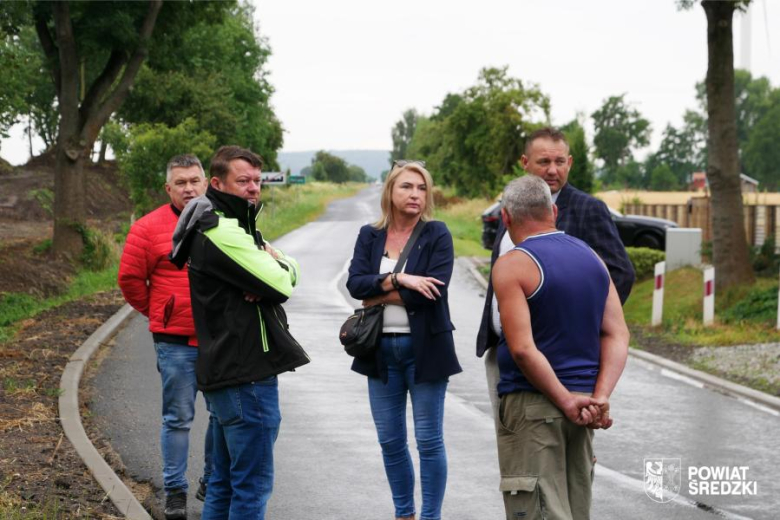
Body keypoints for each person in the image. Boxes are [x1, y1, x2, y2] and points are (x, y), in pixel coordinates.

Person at [169, 145, 309, 519]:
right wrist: (274, 266)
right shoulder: (221, 230)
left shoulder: (233, 226)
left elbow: (282, 271)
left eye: (257, 181)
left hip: (230, 371)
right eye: (242, 181)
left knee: (224, 484)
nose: (252, 189)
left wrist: (276, 263)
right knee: (251, 488)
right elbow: (282, 285)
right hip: (246, 374)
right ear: (217, 183)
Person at [492, 175, 629, 520]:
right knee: (575, 505)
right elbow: (617, 334)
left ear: (506, 218)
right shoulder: (593, 259)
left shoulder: (513, 265)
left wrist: (564, 400)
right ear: (553, 211)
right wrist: (600, 397)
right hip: (585, 405)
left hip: (534, 401)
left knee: (539, 509)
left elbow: (522, 348)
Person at [477, 126, 635, 418]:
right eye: (544, 162)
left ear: (570, 163)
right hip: (505, 352)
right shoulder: (513, 206)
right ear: (525, 164)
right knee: (511, 438)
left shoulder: (589, 209)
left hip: (561, 359)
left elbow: (619, 272)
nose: (553, 170)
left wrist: (583, 326)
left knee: (562, 445)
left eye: (559, 162)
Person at [346, 160, 462, 520]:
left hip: (425, 350)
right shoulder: (370, 235)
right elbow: (354, 284)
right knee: (390, 442)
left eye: (422, 188)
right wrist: (403, 280)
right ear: (390, 192)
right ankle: (404, 514)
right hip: (379, 350)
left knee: (428, 442)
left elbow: (433, 293)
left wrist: (379, 289)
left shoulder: (437, 234)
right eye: (407, 187)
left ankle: (430, 517)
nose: (415, 194)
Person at [117, 154, 212, 519]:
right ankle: (175, 491)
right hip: (175, 343)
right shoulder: (147, 228)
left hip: (220, 339)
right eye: (181, 183)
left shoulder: (223, 222)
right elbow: (129, 281)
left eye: (195, 180)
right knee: (178, 418)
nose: (189, 188)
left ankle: (212, 479)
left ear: (206, 183)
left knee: (221, 418)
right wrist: (161, 311)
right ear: (168, 188)